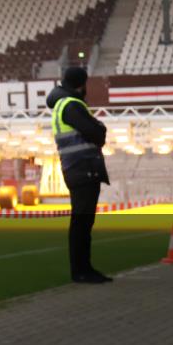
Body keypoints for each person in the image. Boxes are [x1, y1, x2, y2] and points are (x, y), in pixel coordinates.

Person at [47, 66, 113, 284]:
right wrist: (100, 126)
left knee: (81, 222)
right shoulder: (72, 105)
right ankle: (82, 270)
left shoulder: (61, 104)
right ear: (82, 84)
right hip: (83, 168)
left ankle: (82, 269)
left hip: (75, 168)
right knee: (82, 223)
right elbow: (97, 134)